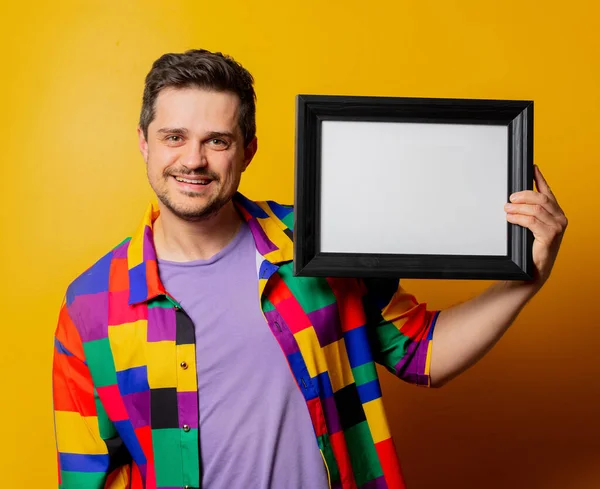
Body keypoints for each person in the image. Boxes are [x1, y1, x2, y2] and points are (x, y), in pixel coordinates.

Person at [51, 49, 568, 489]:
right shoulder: (90, 307)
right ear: (144, 142)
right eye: (174, 137)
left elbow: (423, 352)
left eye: (217, 140)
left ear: (247, 150)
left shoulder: (321, 240)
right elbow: (87, 472)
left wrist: (525, 280)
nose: (194, 160)